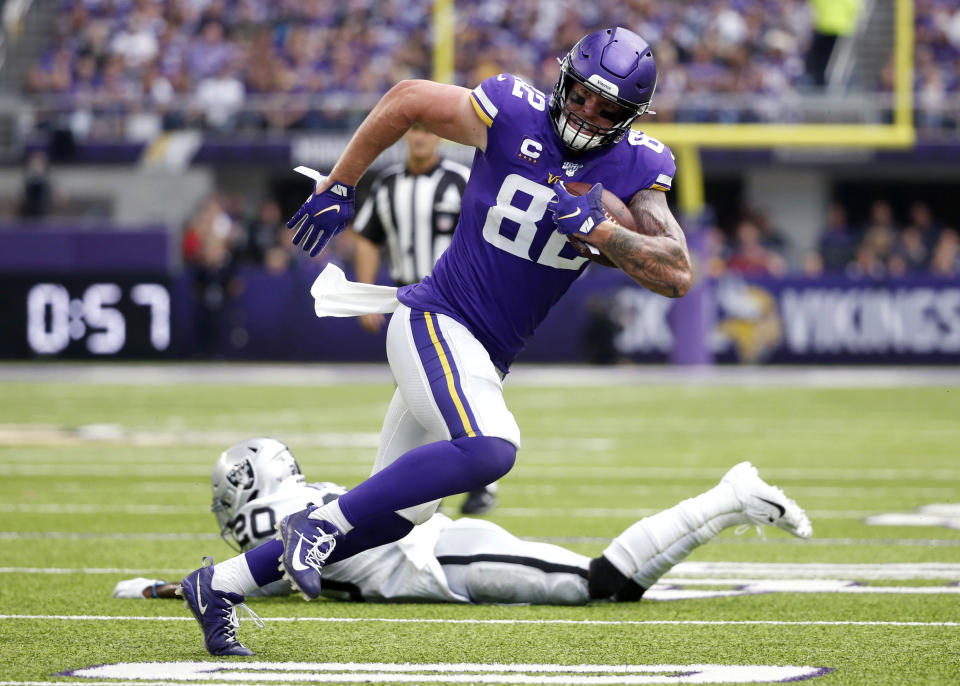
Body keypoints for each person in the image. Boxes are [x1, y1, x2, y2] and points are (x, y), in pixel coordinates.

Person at [180, 27, 697, 655]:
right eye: (583, 95)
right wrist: (340, 184)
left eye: (607, 107)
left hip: (483, 354)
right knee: (491, 448)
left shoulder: (641, 164)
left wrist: (605, 235)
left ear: (631, 115)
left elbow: (676, 273)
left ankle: (219, 584)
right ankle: (315, 522)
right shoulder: (511, 110)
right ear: (563, 79)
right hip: (436, 319)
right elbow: (404, 99)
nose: (588, 113)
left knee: (398, 517)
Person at [139, 438, 810, 655]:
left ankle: (729, 498)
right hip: (433, 554)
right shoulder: (299, 507)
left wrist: (195, 584)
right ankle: (728, 500)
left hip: (437, 556)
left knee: (601, 583)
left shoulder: (283, 518)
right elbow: (275, 571)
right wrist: (166, 587)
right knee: (601, 584)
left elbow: (284, 558)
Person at [350, 124, 496, 515]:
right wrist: (366, 296)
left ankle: (478, 481)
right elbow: (366, 236)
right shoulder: (386, 185)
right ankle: (424, 485)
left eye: (427, 130)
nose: (420, 137)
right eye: (413, 129)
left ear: (441, 136)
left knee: (461, 388)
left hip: (458, 303)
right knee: (415, 395)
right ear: (404, 136)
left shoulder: (460, 180)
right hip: (408, 304)